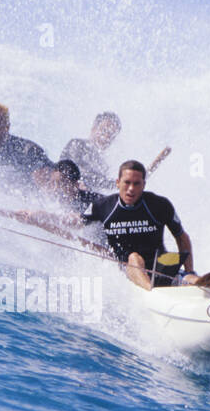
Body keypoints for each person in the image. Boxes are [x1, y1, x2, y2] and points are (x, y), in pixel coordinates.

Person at [81, 159, 196, 289]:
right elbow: (77, 224)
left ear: (143, 185)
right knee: (134, 257)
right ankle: (151, 292)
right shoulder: (102, 206)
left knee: (195, 280)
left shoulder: (160, 205)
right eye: (127, 182)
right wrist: (57, 224)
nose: (131, 189)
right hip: (128, 269)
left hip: (161, 264)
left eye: (136, 184)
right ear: (117, 183)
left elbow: (181, 237)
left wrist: (189, 271)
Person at [59, 112, 121, 191]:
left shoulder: (103, 164)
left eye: (111, 135)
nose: (106, 137)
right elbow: (78, 172)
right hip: (64, 192)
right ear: (94, 128)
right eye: (104, 130)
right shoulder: (77, 144)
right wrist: (115, 184)